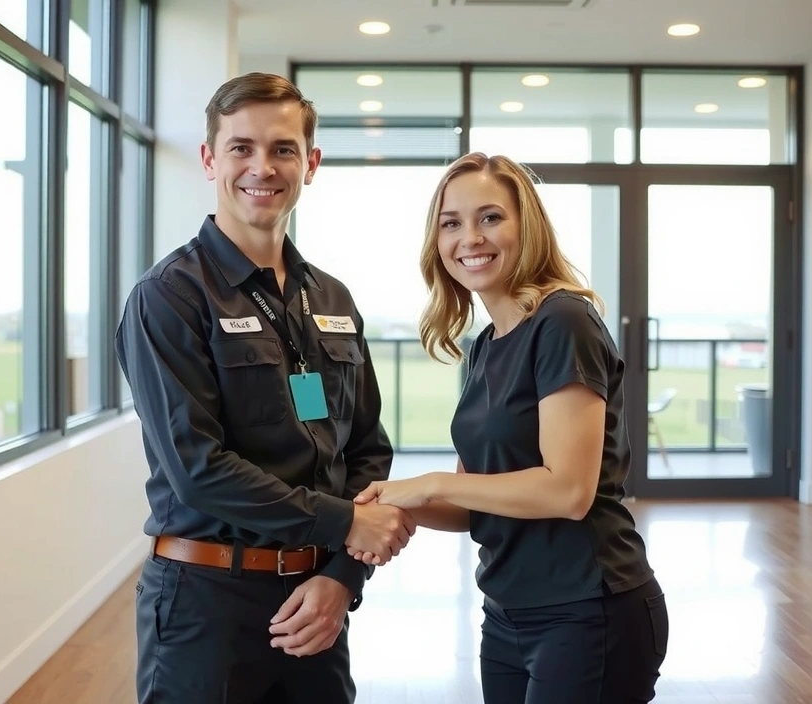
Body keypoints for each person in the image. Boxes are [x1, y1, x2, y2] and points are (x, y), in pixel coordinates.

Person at [115, 72, 416, 704]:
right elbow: (199, 468)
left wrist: (342, 576)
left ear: (311, 163)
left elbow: (364, 447)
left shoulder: (331, 297)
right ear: (209, 159)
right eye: (241, 147)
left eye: (282, 149)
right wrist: (343, 526)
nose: (263, 166)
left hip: (317, 602)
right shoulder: (168, 296)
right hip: (206, 603)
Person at [350, 152, 669, 703]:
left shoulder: (563, 321)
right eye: (451, 223)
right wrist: (382, 507)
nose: (470, 237)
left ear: (527, 228)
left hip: (589, 608)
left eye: (490, 217)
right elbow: (476, 503)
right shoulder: (485, 347)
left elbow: (568, 491)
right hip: (505, 611)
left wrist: (428, 483)